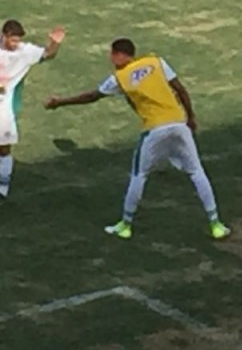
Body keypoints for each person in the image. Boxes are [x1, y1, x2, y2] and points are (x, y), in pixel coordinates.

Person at [45, 38, 228, 240]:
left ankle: (125, 225)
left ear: (118, 55)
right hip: (179, 123)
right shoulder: (156, 62)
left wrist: (59, 103)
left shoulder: (119, 78)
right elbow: (180, 89)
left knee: (139, 175)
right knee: (196, 171)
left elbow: (92, 96)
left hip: (154, 129)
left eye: (112, 54)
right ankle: (216, 224)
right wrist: (191, 117)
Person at [0, 20, 65, 198]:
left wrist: (55, 42)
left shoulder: (25, 51)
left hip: (3, 110)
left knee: (4, 148)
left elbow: (48, 54)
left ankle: (2, 188)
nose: (15, 44)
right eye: (12, 40)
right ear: (3, 36)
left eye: (17, 40)